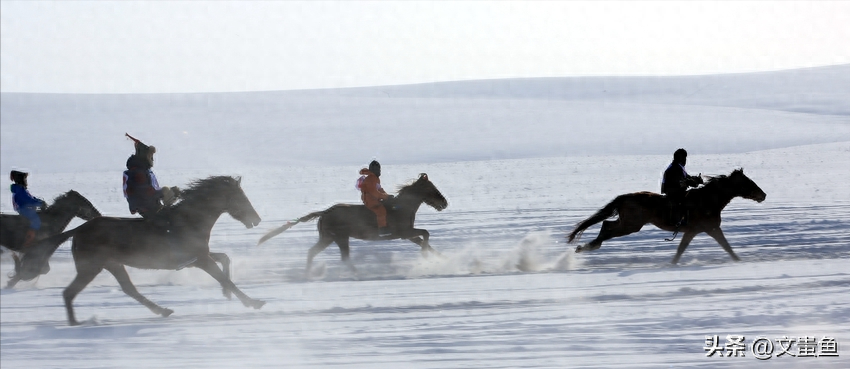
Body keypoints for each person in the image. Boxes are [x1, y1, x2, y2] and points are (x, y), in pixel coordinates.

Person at [123, 133, 178, 220]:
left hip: (150, 205)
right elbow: (145, 193)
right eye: (151, 156)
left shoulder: (143, 171)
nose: (152, 159)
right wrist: (163, 192)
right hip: (145, 207)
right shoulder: (138, 173)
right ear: (144, 157)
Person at [661, 148, 703, 227]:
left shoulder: (679, 167)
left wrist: (696, 179)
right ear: (680, 158)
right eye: (684, 157)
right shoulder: (674, 168)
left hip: (676, 190)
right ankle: (681, 221)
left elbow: (687, 177)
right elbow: (681, 181)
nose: (685, 160)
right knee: (687, 200)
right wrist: (691, 182)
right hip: (672, 191)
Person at [9, 170, 47, 248]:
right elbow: (28, 200)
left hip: (26, 208)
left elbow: (31, 198)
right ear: (21, 180)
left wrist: (39, 201)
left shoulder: (21, 189)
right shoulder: (19, 189)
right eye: (25, 179)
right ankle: (28, 242)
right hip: (23, 209)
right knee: (36, 220)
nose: (26, 181)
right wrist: (40, 203)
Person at [357, 160, 392, 236]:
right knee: (381, 210)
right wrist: (384, 196)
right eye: (377, 169)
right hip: (370, 200)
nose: (379, 171)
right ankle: (382, 228)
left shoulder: (375, 178)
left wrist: (387, 196)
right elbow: (373, 192)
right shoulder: (371, 178)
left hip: (374, 198)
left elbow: (379, 189)